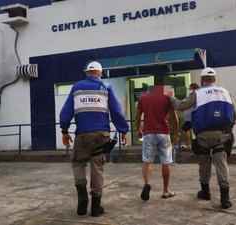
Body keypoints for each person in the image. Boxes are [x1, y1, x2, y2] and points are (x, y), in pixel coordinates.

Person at [59, 60, 129, 217]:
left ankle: (82, 197)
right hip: (101, 135)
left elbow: (66, 111)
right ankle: (96, 207)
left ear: (86, 73)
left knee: (78, 162)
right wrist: (123, 130)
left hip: (82, 134)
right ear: (100, 73)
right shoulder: (106, 87)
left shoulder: (76, 87)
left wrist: (64, 130)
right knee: (97, 167)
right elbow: (116, 111)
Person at [168, 67, 236, 209]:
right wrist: (230, 129)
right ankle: (225, 199)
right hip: (221, 134)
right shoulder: (225, 92)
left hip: (204, 136)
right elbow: (234, 114)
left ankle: (205, 192)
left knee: (204, 162)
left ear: (202, 80)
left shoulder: (198, 93)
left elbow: (181, 106)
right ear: (215, 79)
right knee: (221, 164)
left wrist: (170, 97)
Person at [135, 85, 179, 201]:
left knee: (147, 161)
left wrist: (137, 129)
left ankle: (147, 183)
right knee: (165, 162)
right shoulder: (167, 98)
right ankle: (165, 190)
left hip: (148, 133)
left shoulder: (143, 98)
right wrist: (176, 133)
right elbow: (174, 117)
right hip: (164, 133)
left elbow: (138, 115)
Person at [181, 83, 199, 150]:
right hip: (190, 117)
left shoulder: (195, 95)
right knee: (188, 129)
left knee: (185, 129)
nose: (189, 89)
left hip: (192, 117)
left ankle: (188, 144)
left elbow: (188, 102)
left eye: (190, 88)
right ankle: (188, 144)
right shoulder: (192, 95)